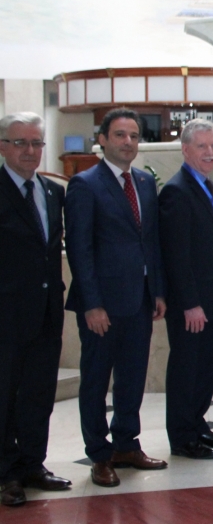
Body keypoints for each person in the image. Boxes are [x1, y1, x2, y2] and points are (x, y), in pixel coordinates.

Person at [65, 108, 168, 487]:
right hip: (102, 305)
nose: (128, 142)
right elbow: (80, 249)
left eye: (134, 136)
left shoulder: (143, 181)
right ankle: (99, 454)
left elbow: (150, 241)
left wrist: (157, 290)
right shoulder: (85, 184)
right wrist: (92, 304)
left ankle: (127, 443)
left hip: (140, 300)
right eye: (121, 135)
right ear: (103, 139)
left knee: (132, 378)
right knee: (95, 381)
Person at [0, 113, 71, 507]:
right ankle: (6, 472)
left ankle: (32, 463)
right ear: (3, 146)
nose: (30, 151)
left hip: (46, 311)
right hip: (7, 313)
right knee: (5, 394)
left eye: (36, 143)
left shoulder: (50, 192)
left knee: (38, 393)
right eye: (20, 143)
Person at [159, 119, 213, 460]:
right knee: (186, 369)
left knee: (205, 368)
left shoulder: (206, 185)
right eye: (202, 146)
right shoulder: (177, 191)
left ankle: (198, 425)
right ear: (185, 149)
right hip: (192, 305)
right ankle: (182, 436)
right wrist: (190, 303)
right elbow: (176, 254)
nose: (210, 153)